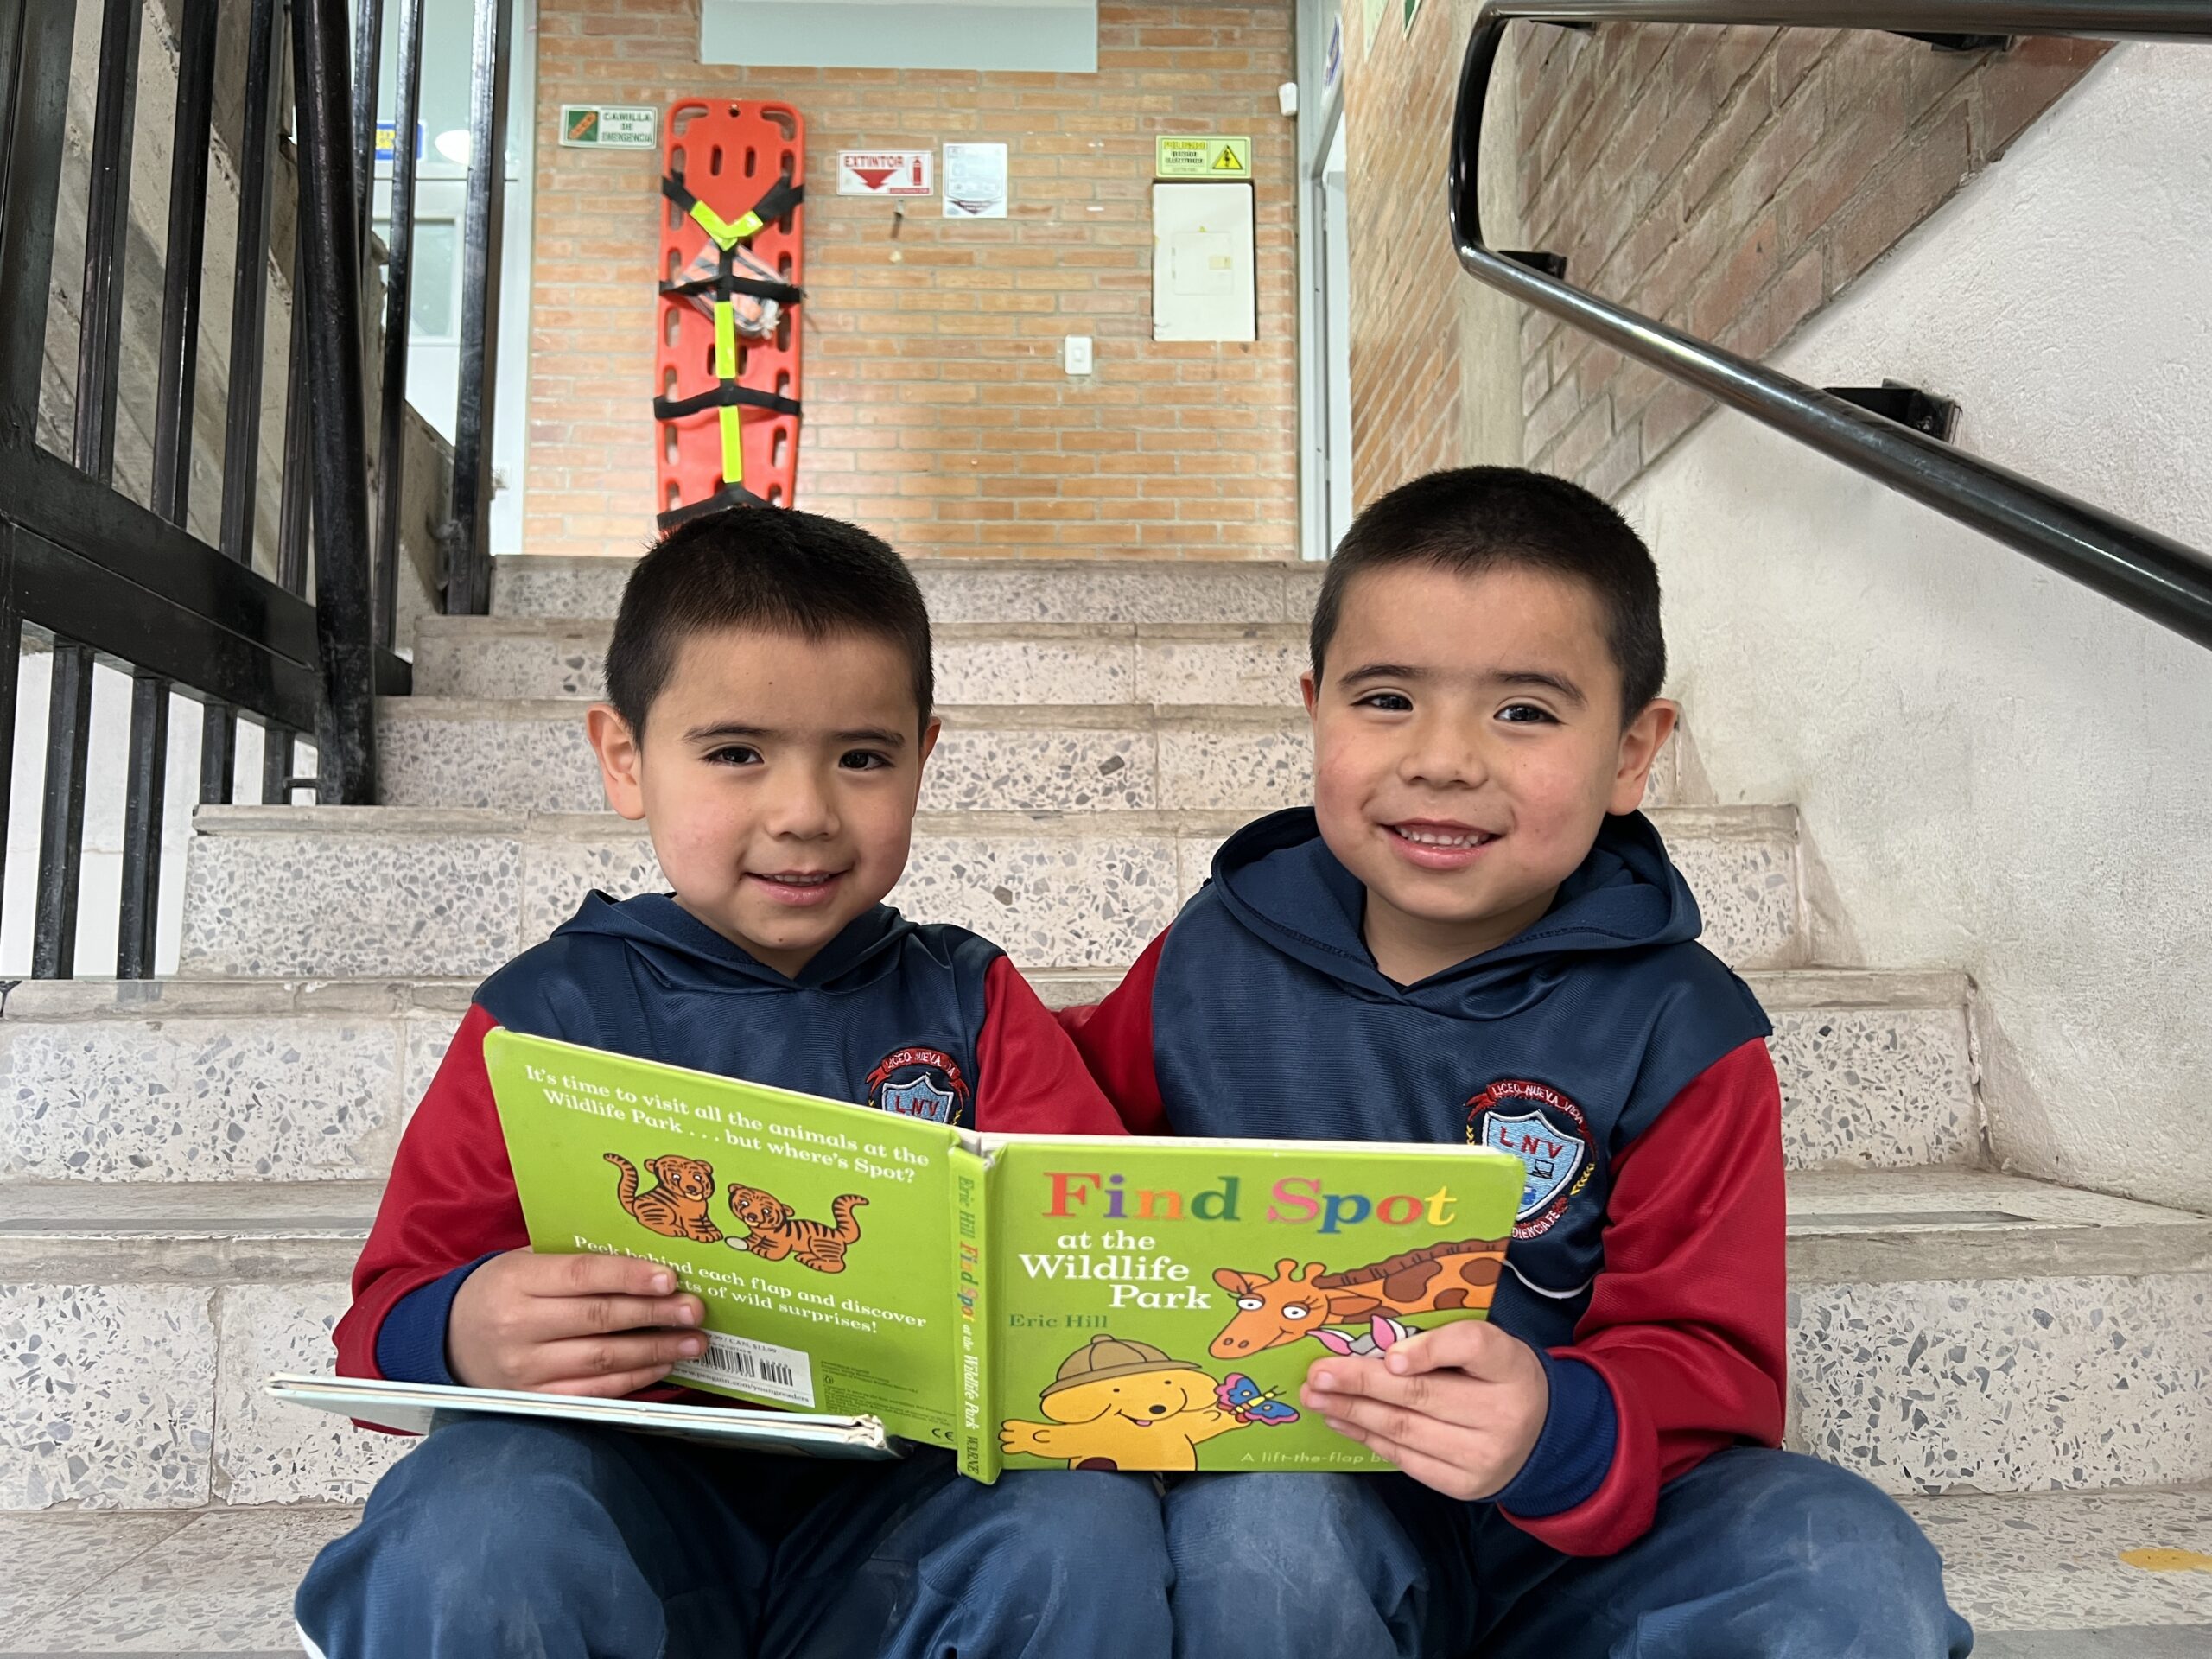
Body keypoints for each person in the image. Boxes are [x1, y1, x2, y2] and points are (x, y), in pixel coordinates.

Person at [1064, 467, 1974, 1658]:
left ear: (1635, 752)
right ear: (1313, 708)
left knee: (1841, 1562)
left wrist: (1555, 1421)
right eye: (1386, 699)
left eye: (1526, 712)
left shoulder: (1687, 1032)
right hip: (1307, 1498)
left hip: (1582, 1539)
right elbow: (1058, 1121)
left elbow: (1710, 1359)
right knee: (1265, 1521)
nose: (1443, 760)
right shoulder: (1215, 950)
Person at [296, 508, 1170, 1659]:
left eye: (863, 757)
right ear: (624, 759)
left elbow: (1098, 1257)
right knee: (479, 1517)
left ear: (924, 755)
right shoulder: (546, 1018)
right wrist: (464, 1329)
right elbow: (382, 1318)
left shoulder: (971, 1004)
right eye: (736, 753)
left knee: (1083, 1521)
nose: (804, 812)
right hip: (619, 1515)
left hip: (903, 1531)